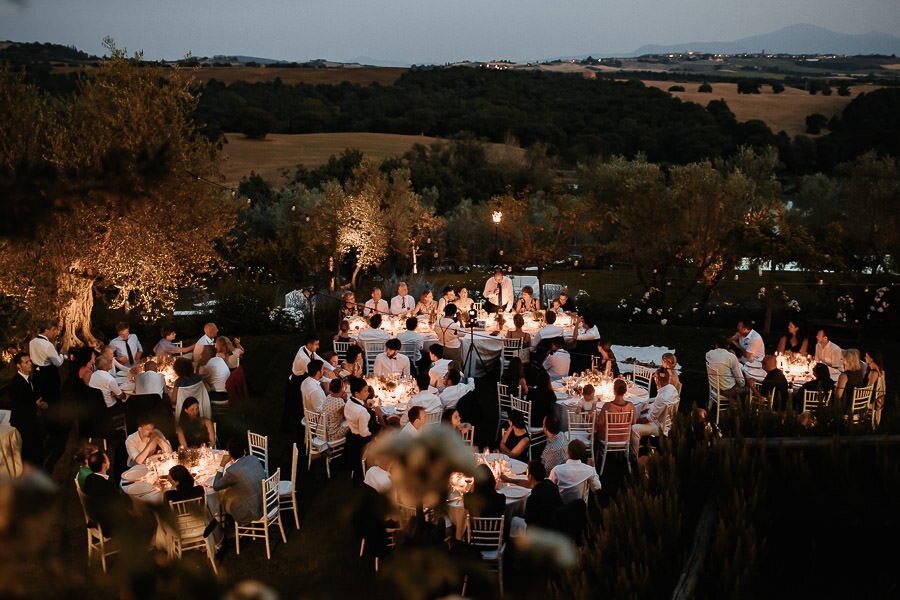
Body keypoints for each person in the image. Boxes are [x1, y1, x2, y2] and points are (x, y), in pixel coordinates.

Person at [213, 437, 267, 525]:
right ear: (244, 450)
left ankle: (225, 529)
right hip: (265, 503)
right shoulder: (253, 458)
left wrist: (222, 465)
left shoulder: (232, 471)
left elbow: (216, 486)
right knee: (232, 492)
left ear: (230, 453)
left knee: (223, 500)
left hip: (253, 511)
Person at [6, 352, 48, 464]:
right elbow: (18, 406)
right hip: (23, 425)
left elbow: (31, 398)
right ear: (19, 366)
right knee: (29, 453)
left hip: (32, 421)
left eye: (30, 361)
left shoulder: (30, 379)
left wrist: (41, 403)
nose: (30, 364)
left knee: (36, 449)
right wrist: (36, 405)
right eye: (26, 362)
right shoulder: (16, 384)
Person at [631, 369, 679, 456]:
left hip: (659, 427)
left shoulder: (662, 397)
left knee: (634, 429)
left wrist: (635, 421)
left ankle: (633, 456)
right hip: (666, 421)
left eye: (655, 378)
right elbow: (658, 405)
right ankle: (641, 443)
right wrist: (647, 407)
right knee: (642, 412)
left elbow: (649, 418)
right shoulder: (672, 389)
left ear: (657, 379)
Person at [345, 378, 382, 478]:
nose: (368, 393)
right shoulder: (362, 412)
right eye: (365, 391)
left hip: (350, 436)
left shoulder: (349, 402)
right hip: (360, 441)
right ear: (357, 393)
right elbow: (364, 433)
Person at [82, 451, 124, 533]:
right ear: (104, 464)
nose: (109, 461)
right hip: (108, 527)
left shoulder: (89, 478)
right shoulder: (107, 485)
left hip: (95, 519)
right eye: (108, 460)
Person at [549, 439, 601, 504]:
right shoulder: (589, 470)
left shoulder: (556, 470)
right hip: (579, 508)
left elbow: (549, 488)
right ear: (582, 454)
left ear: (567, 452)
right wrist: (593, 468)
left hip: (561, 507)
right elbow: (597, 487)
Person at [28, 320, 66, 405]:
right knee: (52, 401)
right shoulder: (47, 345)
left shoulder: (32, 342)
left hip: (36, 374)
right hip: (48, 375)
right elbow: (58, 363)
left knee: (40, 398)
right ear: (46, 330)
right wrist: (62, 355)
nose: (56, 332)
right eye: (54, 329)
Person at [522, 460, 562, 529]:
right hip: (557, 523)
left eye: (527, 472)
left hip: (541, 531)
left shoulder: (533, 498)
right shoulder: (550, 484)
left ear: (530, 476)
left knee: (514, 521)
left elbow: (528, 521)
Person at [865, 351, 886, 427]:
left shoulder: (873, 372)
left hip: (870, 401)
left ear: (872, 359)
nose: (865, 358)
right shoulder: (880, 370)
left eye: (866, 357)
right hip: (874, 399)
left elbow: (868, 390)